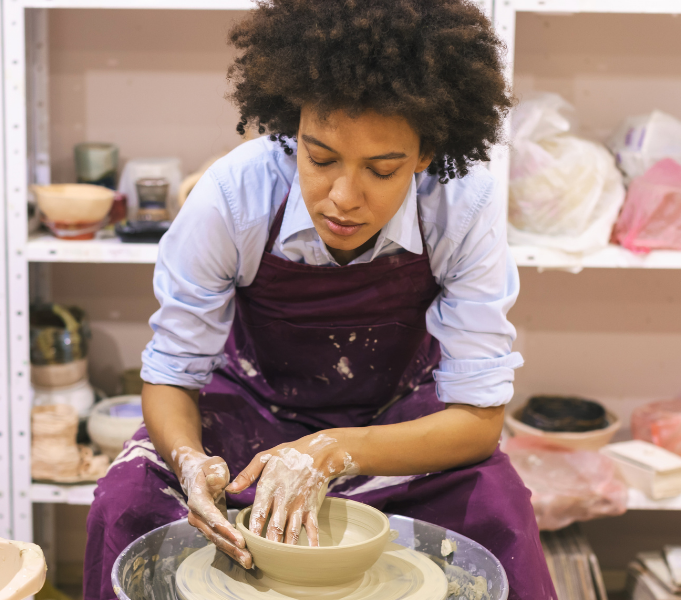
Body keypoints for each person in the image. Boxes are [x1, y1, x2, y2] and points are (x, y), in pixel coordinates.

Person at [83, 1, 555, 599]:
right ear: (291, 132)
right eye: (320, 157)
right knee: (126, 501)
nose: (342, 198)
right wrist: (189, 463)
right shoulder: (235, 195)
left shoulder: (461, 204)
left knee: (499, 508)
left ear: (427, 154)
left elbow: (480, 422)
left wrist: (335, 451)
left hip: (397, 421)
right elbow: (172, 374)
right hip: (252, 410)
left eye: (383, 170)